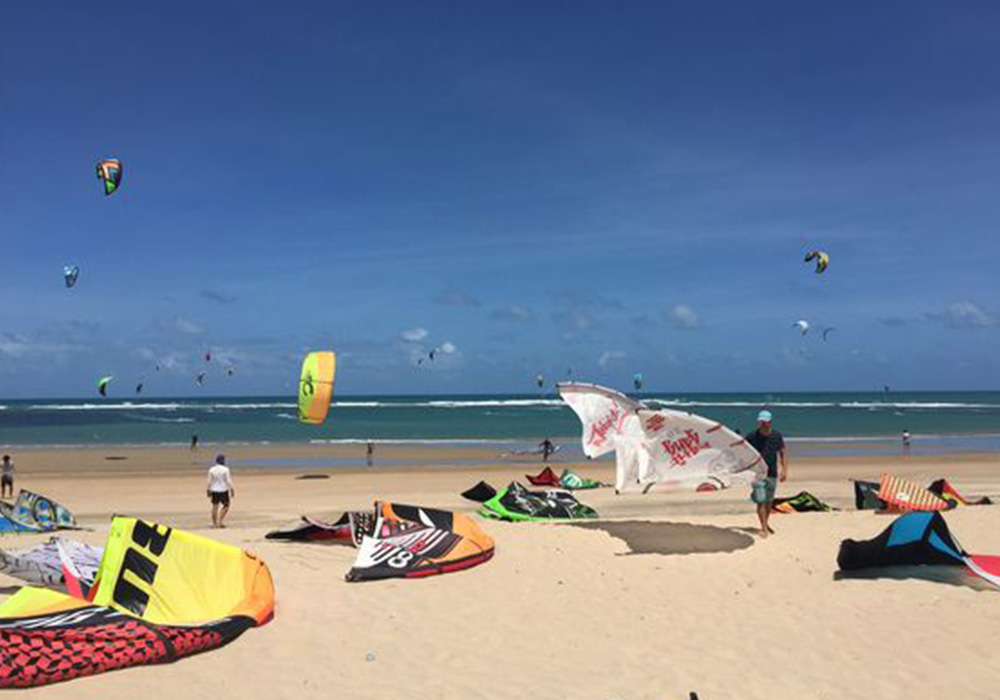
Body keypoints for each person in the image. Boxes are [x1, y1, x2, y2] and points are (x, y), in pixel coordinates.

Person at [747, 410, 787, 538]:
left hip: (772, 473)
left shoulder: (777, 435)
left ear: (770, 422)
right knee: (761, 501)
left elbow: (782, 453)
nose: (762, 424)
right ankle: (764, 528)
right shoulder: (752, 436)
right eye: (760, 422)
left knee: (769, 502)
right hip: (757, 474)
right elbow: (742, 449)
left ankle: (765, 523)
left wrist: (784, 470)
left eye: (765, 422)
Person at [206, 453, 234, 528]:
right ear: (223, 461)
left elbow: (209, 481)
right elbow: (228, 481)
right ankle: (220, 521)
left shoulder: (211, 469)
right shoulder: (225, 469)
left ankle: (214, 523)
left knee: (214, 507)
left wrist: (208, 490)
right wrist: (232, 489)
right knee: (226, 505)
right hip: (223, 490)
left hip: (214, 490)